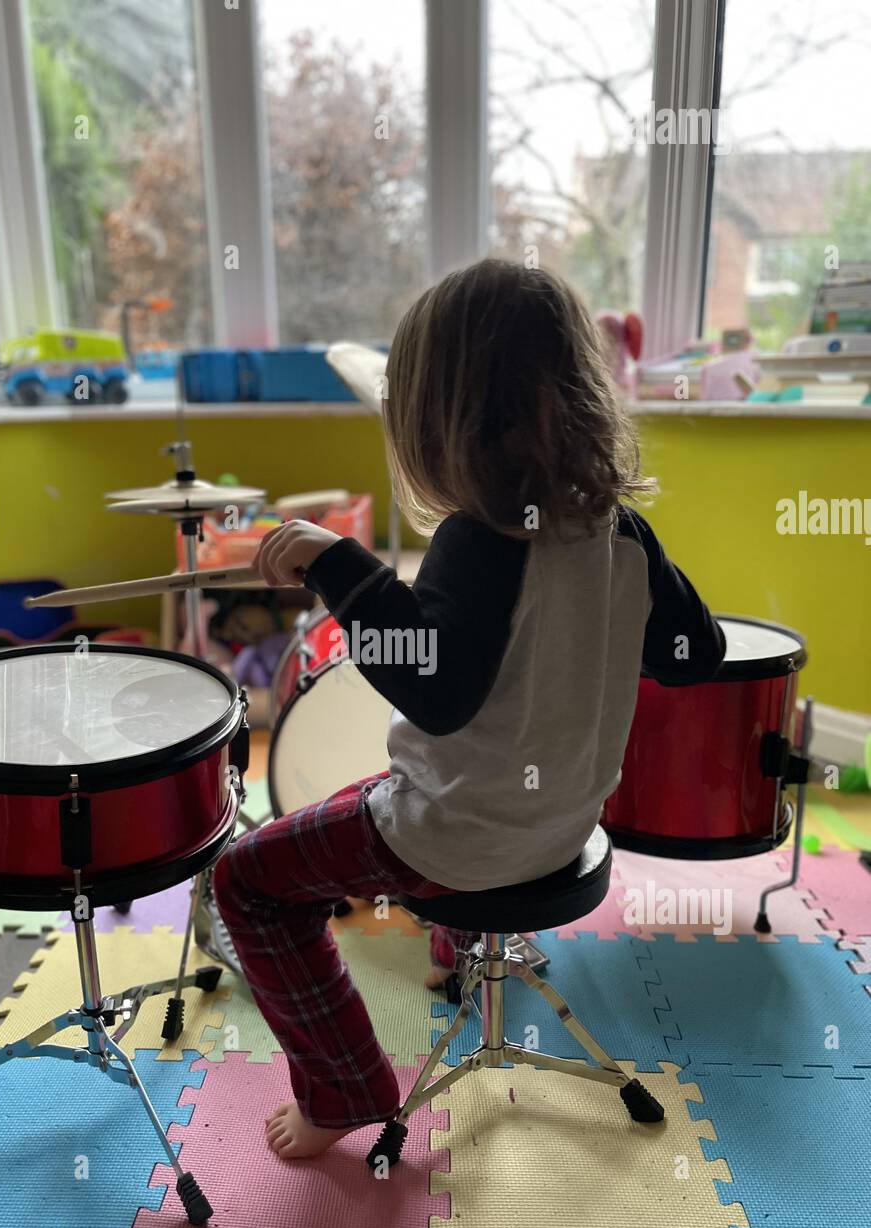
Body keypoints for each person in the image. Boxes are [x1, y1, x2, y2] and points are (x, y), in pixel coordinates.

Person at [212, 259, 725, 1159]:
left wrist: (340, 566)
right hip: (562, 828)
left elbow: (436, 695)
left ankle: (342, 1088)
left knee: (248, 878)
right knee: (430, 782)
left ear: (436, 415)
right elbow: (696, 656)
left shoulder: (478, 539)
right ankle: (460, 945)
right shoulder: (621, 532)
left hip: (456, 837)